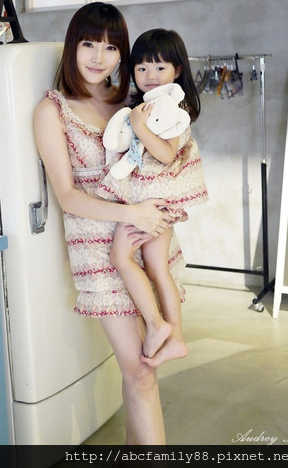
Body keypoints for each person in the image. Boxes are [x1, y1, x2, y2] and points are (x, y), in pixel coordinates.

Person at [33, 3, 185, 445]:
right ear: (72, 47)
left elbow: (168, 158)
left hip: (148, 241)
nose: (99, 57)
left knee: (145, 370)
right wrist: (132, 214)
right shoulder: (52, 111)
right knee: (139, 371)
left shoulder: (132, 101)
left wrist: (159, 210)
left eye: (111, 47)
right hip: (97, 251)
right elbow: (67, 195)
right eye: (89, 44)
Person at [99, 29, 208, 367]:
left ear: (178, 70)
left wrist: (138, 124)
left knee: (120, 256)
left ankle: (158, 325)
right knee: (158, 268)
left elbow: (165, 154)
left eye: (160, 67)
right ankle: (175, 339)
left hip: (154, 202)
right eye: (142, 68)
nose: (150, 75)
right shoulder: (152, 105)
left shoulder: (172, 109)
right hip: (156, 198)